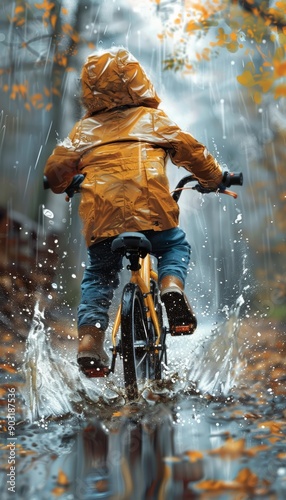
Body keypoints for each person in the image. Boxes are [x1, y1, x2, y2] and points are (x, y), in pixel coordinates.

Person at [44, 47, 223, 376]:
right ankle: (171, 286)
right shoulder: (152, 120)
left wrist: (64, 182)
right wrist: (214, 177)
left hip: (102, 221)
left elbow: (55, 170)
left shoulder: (84, 130)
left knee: (99, 274)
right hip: (152, 214)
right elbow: (192, 152)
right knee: (174, 245)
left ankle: (89, 340)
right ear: (137, 80)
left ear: (89, 88)